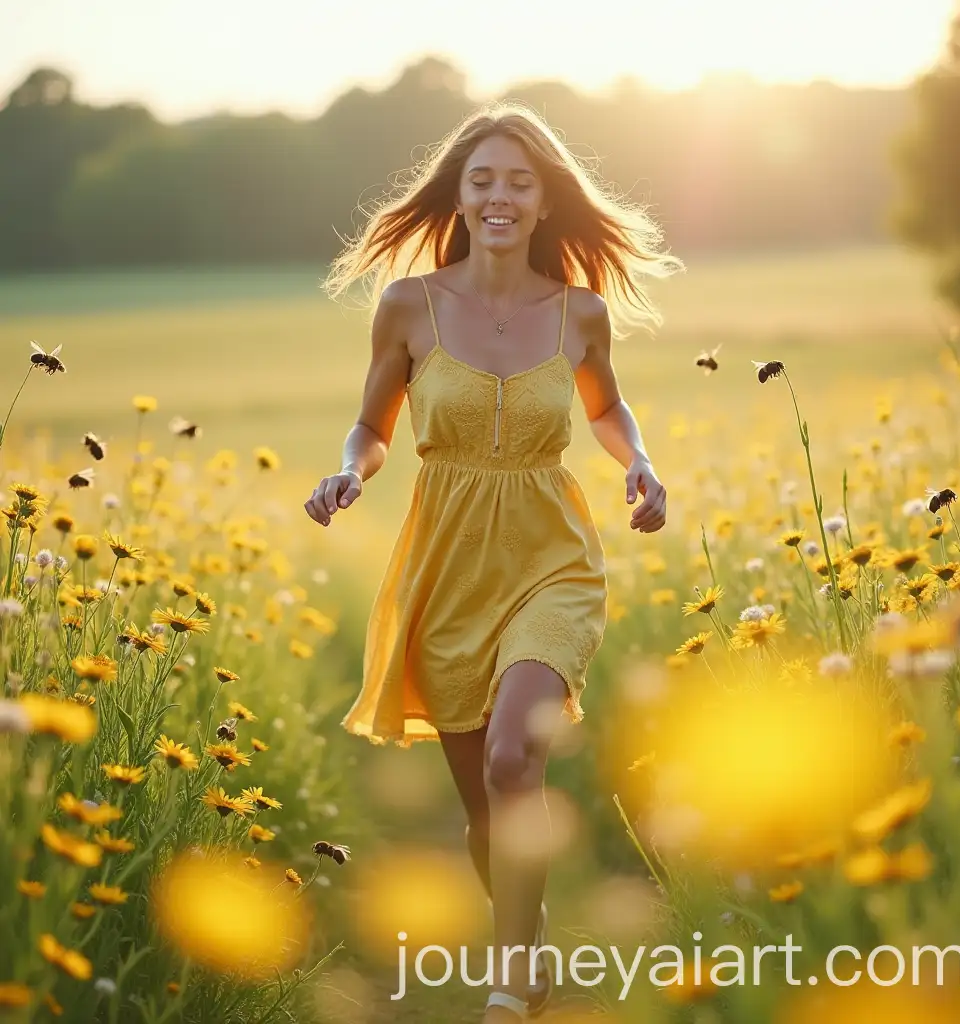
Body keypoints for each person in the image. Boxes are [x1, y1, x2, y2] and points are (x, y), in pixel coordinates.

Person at [304, 101, 682, 1022]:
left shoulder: (580, 314)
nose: (500, 195)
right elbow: (372, 425)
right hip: (446, 568)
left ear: (546, 200)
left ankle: (509, 989)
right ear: (461, 198)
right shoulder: (409, 305)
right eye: (483, 180)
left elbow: (603, 408)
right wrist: (348, 471)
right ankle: (530, 929)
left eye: (519, 180)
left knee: (518, 759)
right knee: (484, 812)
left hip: (552, 559)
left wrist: (638, 458)